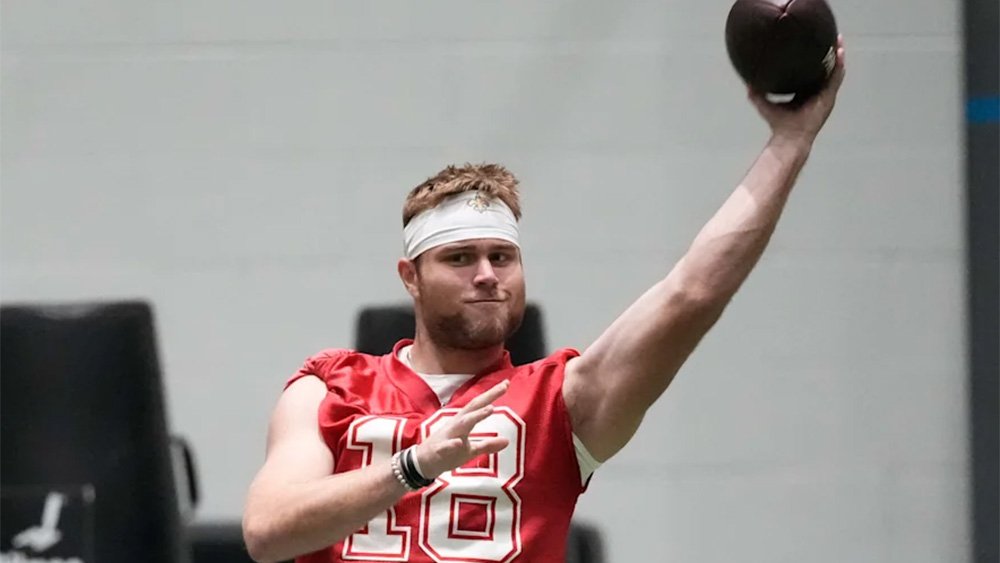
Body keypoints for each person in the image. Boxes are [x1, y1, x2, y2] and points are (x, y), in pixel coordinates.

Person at [243, 38, 847, 563]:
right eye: (460, 258)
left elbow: (691, 292)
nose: (486, 275)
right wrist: (414, 465)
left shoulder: (561, 403)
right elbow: (268, 534)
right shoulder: (327, 389)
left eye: (501, 257)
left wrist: (790, 142)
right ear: (411, 277)